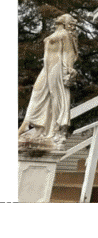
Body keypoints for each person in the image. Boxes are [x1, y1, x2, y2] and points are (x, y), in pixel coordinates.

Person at [18, 14, 79, 148]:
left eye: (62, 17)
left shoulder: (65, 35)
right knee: (37, 93)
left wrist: (69, 68)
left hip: (56, 67)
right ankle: (29, 124)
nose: (57, 18)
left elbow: (68, 52)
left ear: (65, 22)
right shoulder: (56, 33)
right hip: (46, 68)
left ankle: (52, 129)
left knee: (55, 96)